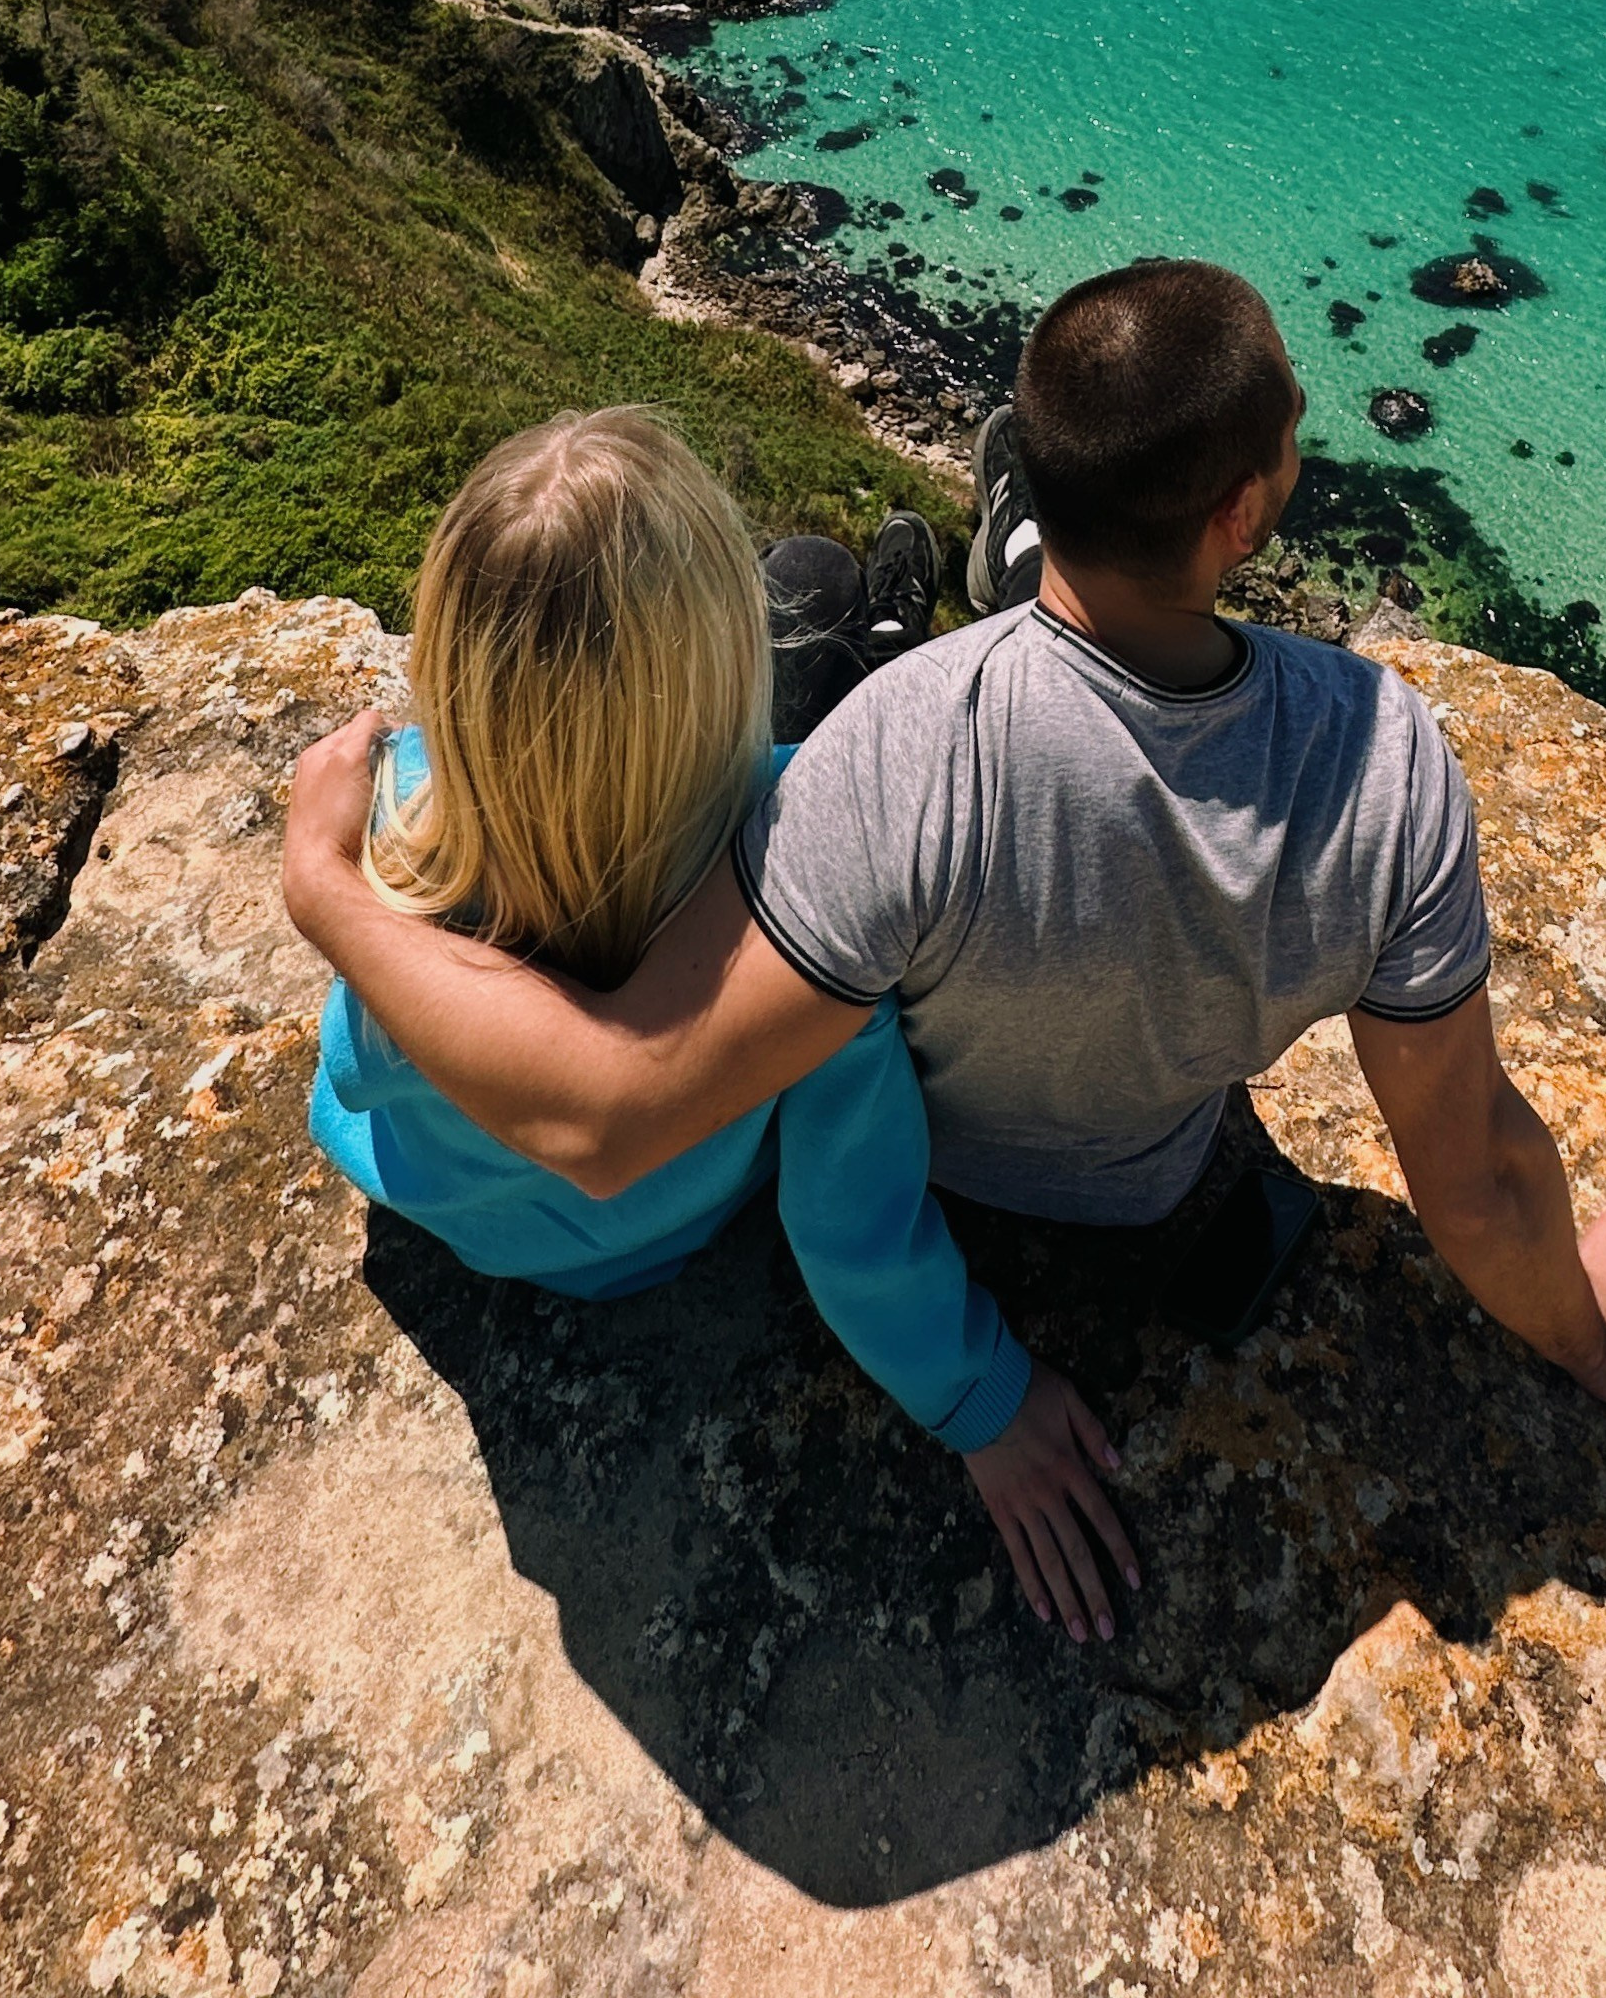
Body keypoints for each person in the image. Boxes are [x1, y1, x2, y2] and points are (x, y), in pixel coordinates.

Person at [287, 263, 1606, 1644]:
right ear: (1249, 509)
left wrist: (333, 886)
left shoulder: (877, 763)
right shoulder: (1387, 764)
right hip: (1148, 1183)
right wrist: (1580, 1321)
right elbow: (1471, 1166)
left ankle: (1017, 573)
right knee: (847, 635)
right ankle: (1020, 572)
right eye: (1284, 430)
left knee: (840, 624)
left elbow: (607, 1089)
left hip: (861, 1095)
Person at [303, 406, 1129, 1560]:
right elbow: (852, 1224)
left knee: (815, 588)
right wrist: (980, 1400)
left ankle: (875, 627)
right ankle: (903, 626)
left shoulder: (393, 857)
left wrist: (329, 866)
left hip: (473, 1228)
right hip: (664, 1238)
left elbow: (351, 1059)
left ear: (449, 664)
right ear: (725, 651)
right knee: (822, 602)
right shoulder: (793, 915)